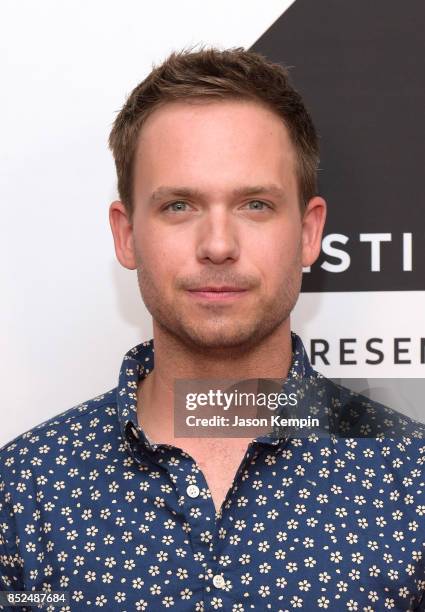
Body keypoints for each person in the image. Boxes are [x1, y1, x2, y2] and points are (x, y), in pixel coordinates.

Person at [1, 46, 425, 612]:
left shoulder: (410, 482)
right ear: (126, 235)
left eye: (254, 204)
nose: (218, 245)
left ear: (308, 231)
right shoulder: (27, 490)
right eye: (179, 206)